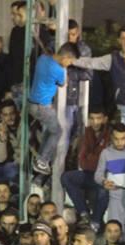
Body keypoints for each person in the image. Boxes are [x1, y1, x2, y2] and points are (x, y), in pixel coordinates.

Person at [70, 26, 125, 144]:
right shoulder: (113, 59)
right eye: (123, 38)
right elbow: (92, 62)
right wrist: (72, 61)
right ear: (119, 40)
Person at [27, 43, 78, 176]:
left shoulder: (42, 59)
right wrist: (65, 72)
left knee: (51, 130)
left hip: (33, 103)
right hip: (42, 106)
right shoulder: (59, 70)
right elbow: (63, 83)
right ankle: (42, 161)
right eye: (70, 61)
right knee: (58, 131)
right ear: (66, 57)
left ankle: (40, 158)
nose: (69, 64)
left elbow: (49, 57)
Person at [95, 124, 125, 245]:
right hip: (115, 196)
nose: (120, 142)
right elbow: (98, 174)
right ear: (111, 138)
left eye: (123, 138)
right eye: (116, 139)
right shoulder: (106, 153)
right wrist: (104, 181)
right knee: (114, 236)